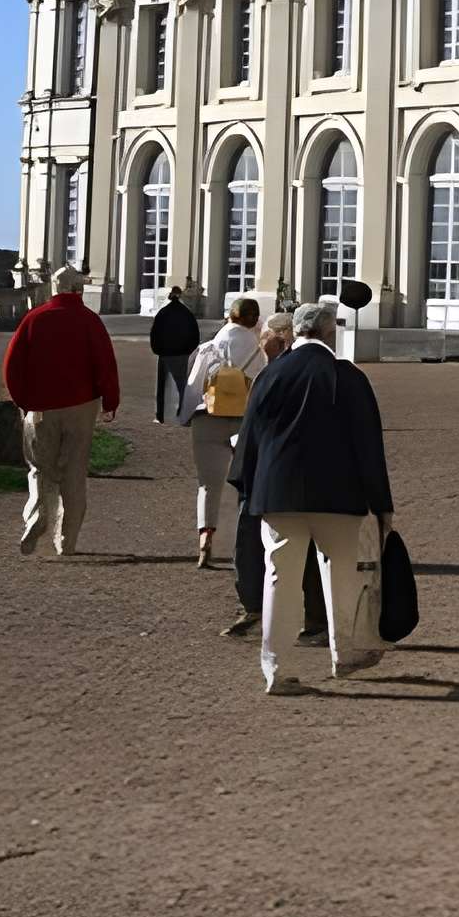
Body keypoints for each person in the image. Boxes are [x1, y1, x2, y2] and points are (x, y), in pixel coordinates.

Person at [227, 299, 394, 695]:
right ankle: (344, 653)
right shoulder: (347, 377)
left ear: (295, 332)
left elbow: (250, 439)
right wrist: (381, 502)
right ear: (329, 333)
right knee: (341, 576)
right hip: (339, 493)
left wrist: (249, 490)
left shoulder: (271, 376)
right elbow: (368, 445)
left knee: (279, 579)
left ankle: (276, 667)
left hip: (278, 494)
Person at [2, 266, 119, 557]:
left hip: (40, 407)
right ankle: (67, 540)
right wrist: (110, 402)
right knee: (74, 473)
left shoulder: (35, 319)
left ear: (54, 288)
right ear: (79, 289)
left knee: (40, 467)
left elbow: (12, 365)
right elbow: (105, 364)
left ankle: (37, 515)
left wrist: (23, 400)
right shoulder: (90, 321)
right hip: (81, 405)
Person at [223, 311, 323, 643]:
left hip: (268, 473)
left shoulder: (275, 374)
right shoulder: (312, 369)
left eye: (264, 335)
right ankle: (309, 616)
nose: (260, 340)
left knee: (261, 545)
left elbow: (254, 427)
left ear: (280, 338)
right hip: (299, 472)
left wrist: (241, 471)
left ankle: (262, 609)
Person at [184, 297, 266, 569]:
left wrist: (187, 416)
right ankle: (248, 544)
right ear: (254, 321)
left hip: (208, 417)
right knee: (249, 482)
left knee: (208, 484)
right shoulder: (257, 350)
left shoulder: (209, 347)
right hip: (244, 419)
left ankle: (205, 538)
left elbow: (193, 387)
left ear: (229, 317)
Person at [147, 286, 202, 424]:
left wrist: (158, 350)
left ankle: (160, 415)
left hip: (165, 354)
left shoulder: (163, 312)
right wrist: (189, 350)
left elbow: (155, 333)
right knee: (183, 385)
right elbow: (195, 335)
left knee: (162, 386)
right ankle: (185, 415)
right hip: (183, 354)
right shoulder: (187, 313)